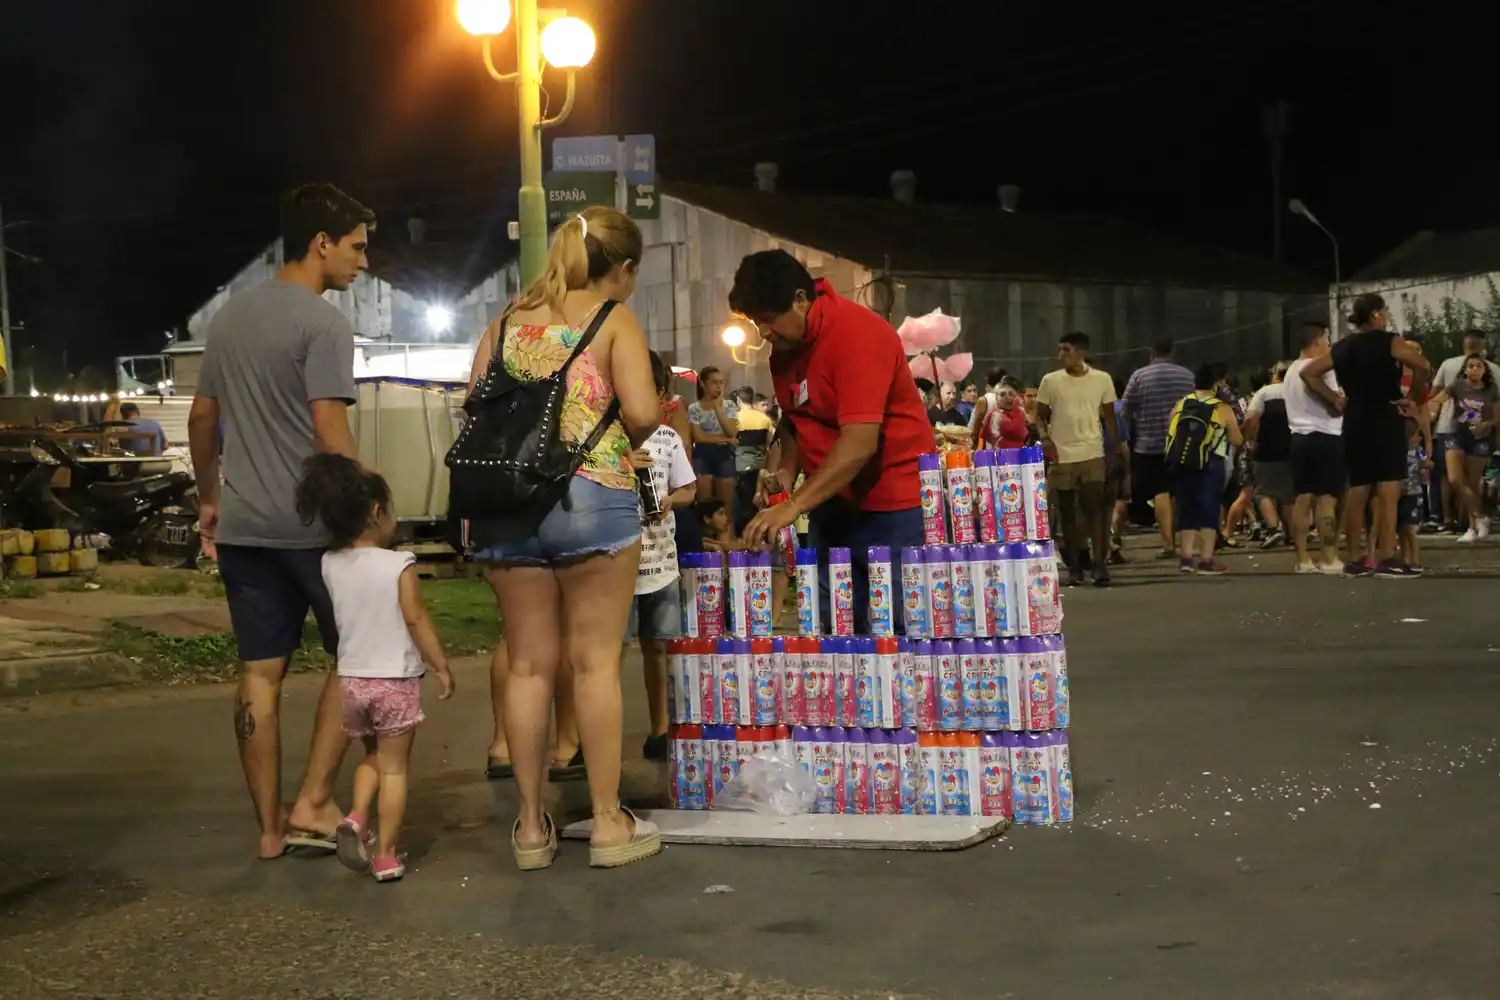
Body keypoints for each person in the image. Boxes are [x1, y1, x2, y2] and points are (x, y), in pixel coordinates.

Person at [463, 205, 662, 870]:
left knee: (527, 665)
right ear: (622, 268)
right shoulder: (614, 319)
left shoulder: (503, 324)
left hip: (506, 506)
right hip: (591, 497)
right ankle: (607, 823)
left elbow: (475, 410)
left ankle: (528, 829)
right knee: (596, 663)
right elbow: (641, 412)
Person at [188, 182, 372, 860]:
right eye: (356, 248)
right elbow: (331, 431)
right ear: (321, 243)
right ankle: (313, 803)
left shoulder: (229, 317)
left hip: (244, 527)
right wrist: (367, 512)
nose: (363, 262)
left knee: (260, 674)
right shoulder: (323, 324)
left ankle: (269, 831)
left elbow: (201, 419)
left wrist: (210, 497)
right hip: (314, 528)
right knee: (359, 656)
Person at [731, 249, 929, 632]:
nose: (763, 332)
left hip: (892, 507)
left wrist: (793, 506)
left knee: (896, 630)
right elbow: (796, 417)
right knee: (832, 629)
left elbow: (859, 443)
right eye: (756, 322)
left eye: (767, 318)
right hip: (831, 503)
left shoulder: (858, 336)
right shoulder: (785, 350)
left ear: (800, 300)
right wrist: (785, 471)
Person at [292, 454, 454, 882]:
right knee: (395, 767)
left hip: (351, 681)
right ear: (376, 513)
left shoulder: (329, 564)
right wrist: (440, 664)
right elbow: (416, 619)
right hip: (394, 681)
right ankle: (385, 855)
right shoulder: (399, 564)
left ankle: (356, 816)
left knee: (374, 756)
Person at [1301, 293, 1430, 578]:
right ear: (1375, 314)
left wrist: (1334, 399)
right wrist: (1411, 397)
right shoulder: (1390, 341)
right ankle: (1386, 558)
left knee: (1358, 489)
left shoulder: (1343, 346)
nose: (1386, 317)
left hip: (1355, 420)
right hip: (1385, 417)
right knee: (1388, 490)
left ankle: (1357, 559)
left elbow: (1309, 373)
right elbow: (1423, 365)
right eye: (1384, 312)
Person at [630, 352, 698, 760]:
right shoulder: (610, 441)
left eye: (653, 392)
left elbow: (689, 490)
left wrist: (671, 500)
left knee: (659, 647)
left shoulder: (668, 439)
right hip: (619, 565)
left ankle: (660, 729)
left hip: (661, 561)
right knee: (606, 654)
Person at [1036, 332, 1120, 587]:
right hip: (1062, 456)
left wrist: (1114, 450)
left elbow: (1110, 417)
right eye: (1060, 349)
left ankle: (1099, 564)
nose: (1061, 355)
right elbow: (1039, 415)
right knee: (1067, 512)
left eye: (1067, 350)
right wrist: (1045, 438)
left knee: (1095, 511)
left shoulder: (1102, 379)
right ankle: (1074, 566)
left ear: (1081, 352)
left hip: (1092, 452)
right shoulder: (1050, 381)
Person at [1121, 339, 1195, 559]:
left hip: (1149, 443)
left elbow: (1126, 409)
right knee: (1176, 491)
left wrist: (1129, 433)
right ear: (1173, 352)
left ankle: (1168, 544)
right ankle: (1183, 542)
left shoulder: (1139, 376)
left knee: (1159, 491)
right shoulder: (1187, 376)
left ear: (1151, 352)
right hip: (1183, 442)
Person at [1166, 364, 1243, 575]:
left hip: (1184, 461)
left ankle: (1186, 559)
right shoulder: (1221, 407)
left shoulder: (1181, 404)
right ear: (1216, 384)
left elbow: (1171, 429)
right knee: (1209, 509)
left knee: (1187, 508)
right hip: (1211, 463)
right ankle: (1206, 560)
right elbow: (1236, 439)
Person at [1282, 322, 1346, 573]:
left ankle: (1302, 559)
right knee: (1327, 498)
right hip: (1325, 436)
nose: (1329, 345)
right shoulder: (1321, 369)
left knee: (1302, 498)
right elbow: (1336, 406)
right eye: (1327, 340)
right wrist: (1339, 400)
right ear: (1317, 340)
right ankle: (1328, 557)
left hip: (1299, 437)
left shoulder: (1290, 371)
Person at [1429, 330, 1500, 537]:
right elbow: (1437, 397)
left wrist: (1485, 425)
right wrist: (1431, 407)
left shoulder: (1491, 391)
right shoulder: (1458, 385)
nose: (1474, 369)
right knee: (1454, 480)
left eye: (1478, 366)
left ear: (1485, 370)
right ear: (1465, 369)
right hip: (1455, 434)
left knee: (1473, 482)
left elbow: (1496, 418)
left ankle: (1472, 526)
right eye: (1471, 366)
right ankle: (1479, 516)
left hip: (1480, 438)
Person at [1242, 362, 1294, 549]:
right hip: (1293, 447)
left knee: (1262, 492)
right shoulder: (1297, 392)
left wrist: (1247, 438)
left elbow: (1250, 418)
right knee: (1288, 496)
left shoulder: (1265, 392)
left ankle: (1273, 528)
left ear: (1276, 375)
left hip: (1267, 448)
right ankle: (1292, 534)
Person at [688, 366, 739, 508]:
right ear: (703, 384)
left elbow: (731, 431)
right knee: (705, 504)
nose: (719, 386)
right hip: (702, 455)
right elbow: (699, 437)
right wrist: (726, 439)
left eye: (721, 382)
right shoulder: (694, 408)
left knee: (726, 503)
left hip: (724, 455)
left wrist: (717, 408)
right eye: (715, 382)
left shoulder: (729, 406)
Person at [732, 392, 775, 535]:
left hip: (740, 467)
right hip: (759, 467)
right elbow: (769, 445)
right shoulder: (765, 419)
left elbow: (731, 442)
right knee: (755, 506)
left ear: (738, 400)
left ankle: (741, 536)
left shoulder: (735, 418)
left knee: (740, 507)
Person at [1399, 408, 1434, 571]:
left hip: (1413, 493)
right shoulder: (1396, 449)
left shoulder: (1416, 450)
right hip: (1399, 493)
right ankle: (1405, 559)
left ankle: (1415, 560)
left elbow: (1427, 464)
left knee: (1411, 528)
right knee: (1401, 529)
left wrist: (1424, 463)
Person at [975, 376, 1029, 451]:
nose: (1007, 397)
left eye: (1011, 394)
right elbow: (994, 439)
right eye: (1002, 394)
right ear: (996, 398)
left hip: (1020, 453)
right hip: (1002, 454)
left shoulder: (1020, 413)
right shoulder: (995, 415)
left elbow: (1024, 435)